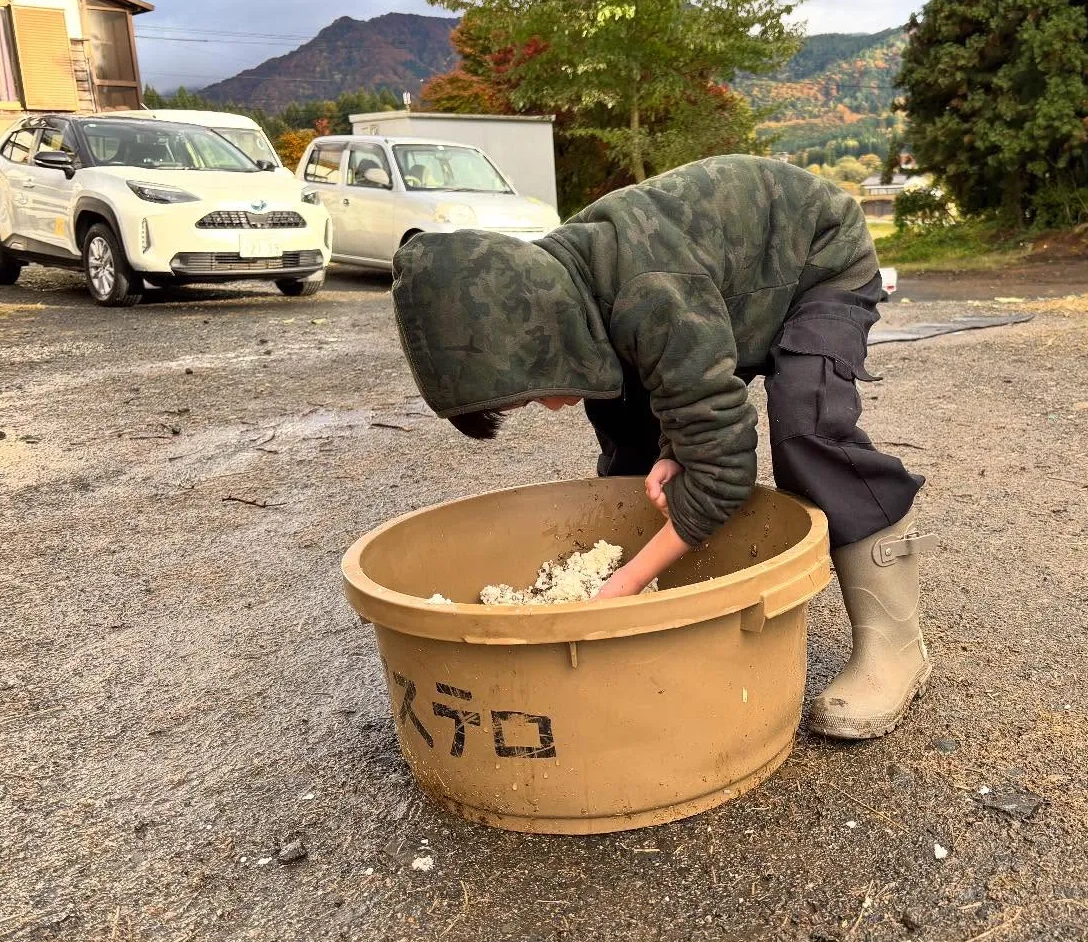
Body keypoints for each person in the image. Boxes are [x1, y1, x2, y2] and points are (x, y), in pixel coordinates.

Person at [391, 155, 935, 739]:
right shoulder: (570, 291)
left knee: (808, 426)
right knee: (631, 432)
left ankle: (895, 649)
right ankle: (658, 607)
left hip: (813, 259)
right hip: (711, 293)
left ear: (543, 335)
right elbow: (684, 382)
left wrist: (621, 587)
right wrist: (673, 447)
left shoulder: (646, 293)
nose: (547, 407)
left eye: (532, 390)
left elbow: (724, 467)